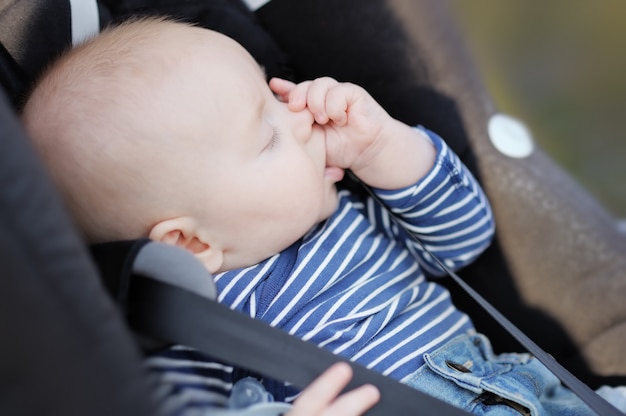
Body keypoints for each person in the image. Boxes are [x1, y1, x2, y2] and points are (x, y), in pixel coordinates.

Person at [21, 17, 625, 415]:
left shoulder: (345, 220)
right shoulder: (182, 331)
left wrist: (385, 150)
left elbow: (464, 240)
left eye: (273, 93)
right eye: (267, 136)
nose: (302, 115)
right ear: (188, 241)